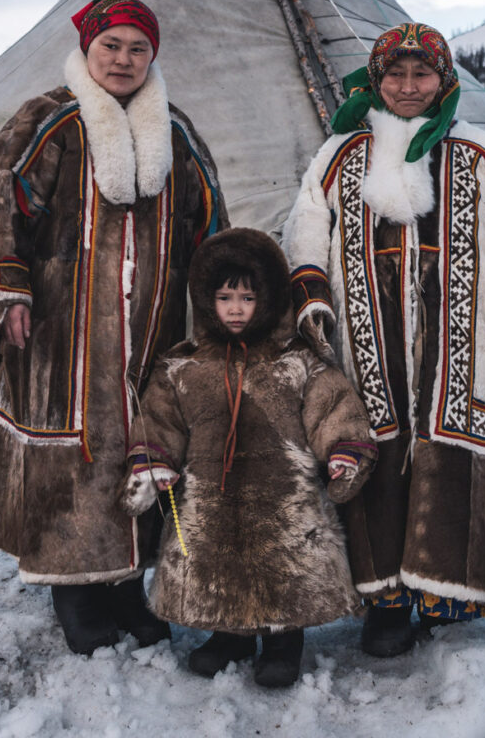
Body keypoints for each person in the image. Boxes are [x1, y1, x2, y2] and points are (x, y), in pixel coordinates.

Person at [282, 23, 485, 657]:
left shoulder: (482, 152)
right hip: (367, 341)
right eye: (395, 75)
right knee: (374, 455)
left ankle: (446, 593)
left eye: (421, 74)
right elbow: (305, 227)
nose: (408, 87)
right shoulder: (340, 156)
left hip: (459, 339)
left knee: (449, 451)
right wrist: (312, 295)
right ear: (376, 80)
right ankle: (384, 606)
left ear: (444, 80)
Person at [0, 0, 227, 656]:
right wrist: (6, 290)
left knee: (141, 451)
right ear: (88, 48)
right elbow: (3, 201)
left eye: (138, 48)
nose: (124, 59)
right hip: (64, 329)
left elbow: (209, 220)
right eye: (111, 46)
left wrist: (225, 311)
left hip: (153, 331)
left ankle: (125, 585)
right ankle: (75, 588)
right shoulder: (51, 121)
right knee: (76, 450)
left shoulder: (174, 132)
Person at [119, 227, 377, 688]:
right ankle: (229, 636)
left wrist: (343, 451)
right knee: (218, 565)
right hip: (210, 496)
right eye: (224, 297)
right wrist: (154, 458)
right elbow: (159, 417)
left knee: (284, 564)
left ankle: (283, 643)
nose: (235, 308)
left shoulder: (296, 361)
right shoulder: (185, 366)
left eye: (247, 297)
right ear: (206, 300)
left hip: (282, 499)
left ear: (269, 299)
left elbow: (332, 407)